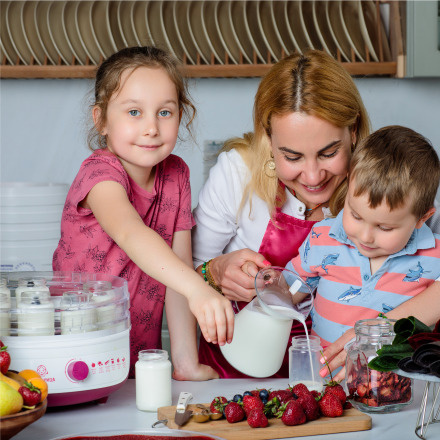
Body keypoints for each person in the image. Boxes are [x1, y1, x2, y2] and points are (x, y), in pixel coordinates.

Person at [191, 50, 440, 379]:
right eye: (292, 156)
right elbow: (185, 274)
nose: (312, 176)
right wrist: (213, 272)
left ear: (353, 132)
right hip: (240, 366)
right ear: (268, 140)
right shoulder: (236, 175)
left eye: (329, 153)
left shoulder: (386, 184)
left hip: (352, 376)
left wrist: (381, 330)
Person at [53, 46, 234, 379]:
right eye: (134, 112)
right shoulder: (99, 175)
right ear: (101, 120)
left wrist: (185, 363)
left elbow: (179, 270)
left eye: (164, 112)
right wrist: (200, 289)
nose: (151, 127)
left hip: (137, 361)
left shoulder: (176, 174)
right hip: (76, 353)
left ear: (181, 115)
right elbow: (130, 233)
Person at [285, 125, 440, 374]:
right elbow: (290, 289)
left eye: (385, 227)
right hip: (324, 387)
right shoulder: (321, 239)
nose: (365, 236)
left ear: (422, 218)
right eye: (355, 215)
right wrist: (272, 293)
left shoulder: (435, 259)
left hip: (395, 394)